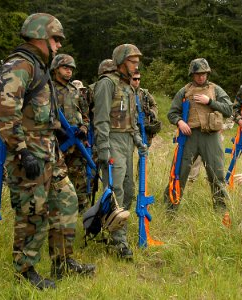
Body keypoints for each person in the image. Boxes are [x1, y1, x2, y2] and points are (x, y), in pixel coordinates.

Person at [0, 13, 95, 290]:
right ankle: (24, 272)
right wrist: (21, 151)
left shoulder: (39, 67)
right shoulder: (20, 66)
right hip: (28, 155)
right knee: (32, 213)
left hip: (50, 151)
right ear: (40, 36)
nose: (58, 46)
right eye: (55, 39)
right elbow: (6, 113)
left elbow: (38, 112)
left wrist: (58, 130)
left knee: (66, 201)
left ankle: (63, 262)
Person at [93, 44, 147, 260]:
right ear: (121, 61)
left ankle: (114, 230)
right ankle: (119, 242)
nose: (136, 66)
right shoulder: (107, 84)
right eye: (133, 62)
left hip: (127, 141)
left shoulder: (129, 87)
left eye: (137, 62)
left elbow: (132, 119)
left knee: (129, 189)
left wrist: (138, 140)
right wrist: (104, 147)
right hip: (112, 139)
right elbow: (102, 119)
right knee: (114, 190)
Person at [164, 58, 233, 213]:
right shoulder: (184, 91)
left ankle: (222, 211)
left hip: (211, 137)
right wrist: (180, 122)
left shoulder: (216, 90)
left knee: (217, 174)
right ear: (192, 74)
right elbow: (172, 113)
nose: (201, 77)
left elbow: (229, 109)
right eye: (197, 74)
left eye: (203, 74)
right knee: (179, 172)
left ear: (207, 74)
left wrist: (209, 102)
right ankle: (170, 209)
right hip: (190, 137)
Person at [51, 54, 90, 212]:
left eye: (71, 69)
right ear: (56, 69)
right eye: (65, 68)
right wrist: (58, 129)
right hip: (56, 143)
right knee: (56, 180)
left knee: (79, 178)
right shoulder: (48, 89)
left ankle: (82, 212)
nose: (69, 71)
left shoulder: (75, 91)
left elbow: (86, 116)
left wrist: (84, 129)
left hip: (76, 144)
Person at [130, 70, 161, 145]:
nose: (137, 81)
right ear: (129, 79)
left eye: (138, 79)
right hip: (130, 127)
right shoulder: (125, 93)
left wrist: (151, 112)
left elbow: (154, 105)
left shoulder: (144, 93)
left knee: (144, 153)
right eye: (134, 79)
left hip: (144, 127)